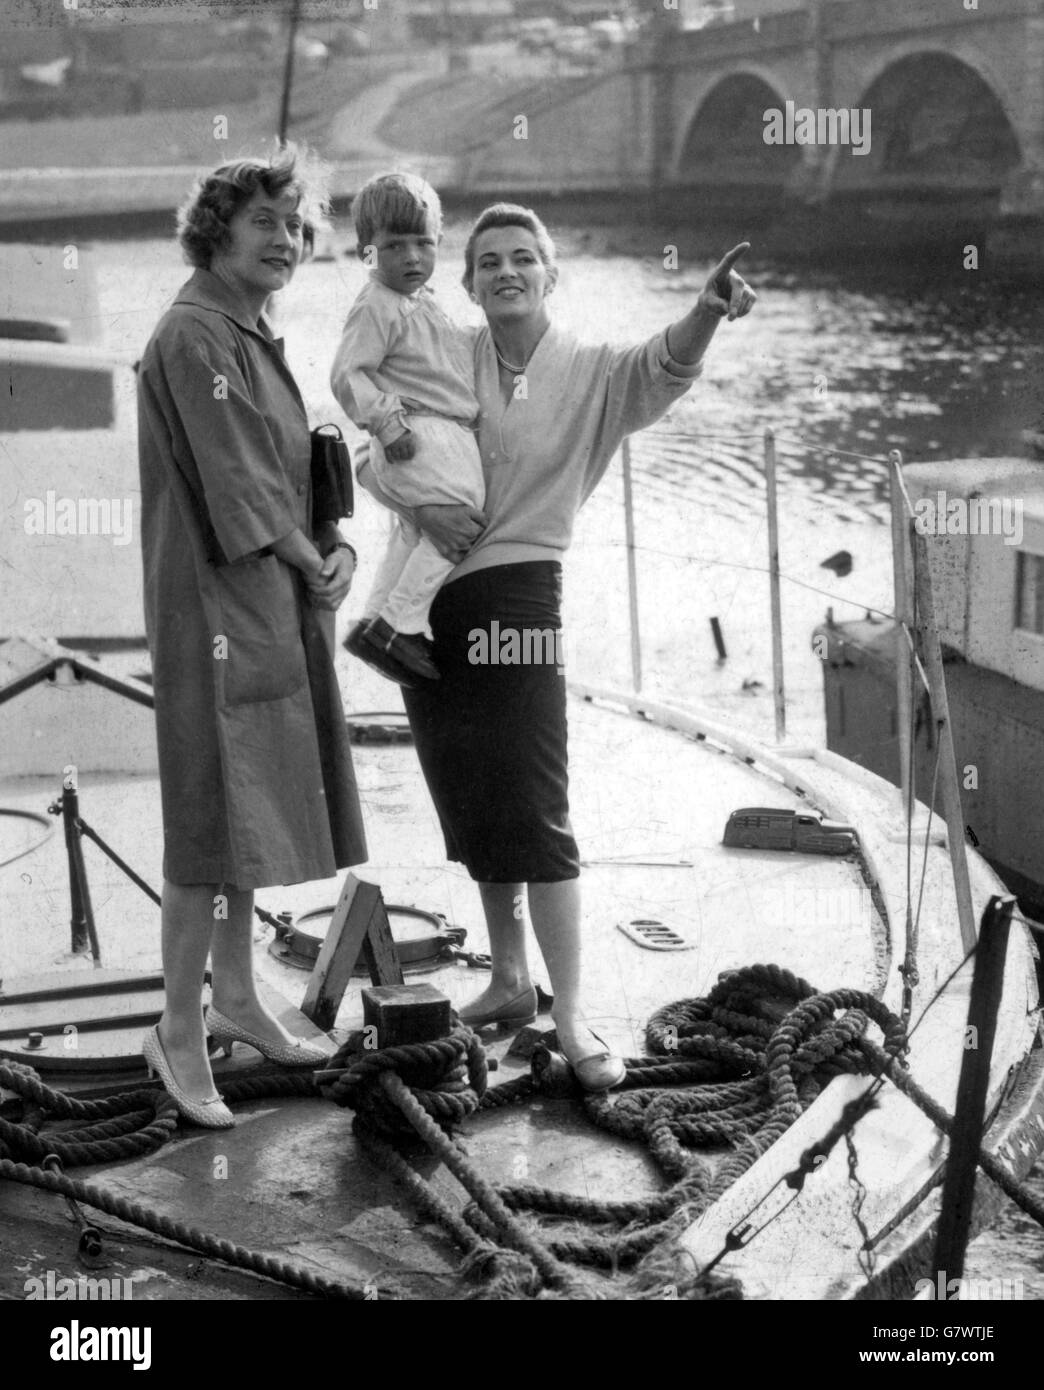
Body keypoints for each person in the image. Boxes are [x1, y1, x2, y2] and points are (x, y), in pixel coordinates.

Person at [355, 203, 756, 1090]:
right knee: (472, 802)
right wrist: (417, 503)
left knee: (535, 808)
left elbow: (665, 366)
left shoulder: (589, 372)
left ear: (550, 274)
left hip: (518, 597)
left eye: (523, 258)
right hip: (421, 611)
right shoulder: (444, 354)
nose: (506, 271)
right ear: (465, 284)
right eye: (488, 260)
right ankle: (507, 979)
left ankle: (570, 1013)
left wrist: (709, 309)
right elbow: (367, 457)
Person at [137, 147, 367, 1127]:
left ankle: (236, 994)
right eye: (267, 221)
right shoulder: (195, 336)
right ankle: (177, 1033)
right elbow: (238, 483)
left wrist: (335, 539)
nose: (288, 239)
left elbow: (301, 461)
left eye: (297, 225)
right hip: (211, 609)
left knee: (246, 819)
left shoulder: (253, 329)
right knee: (205, 825)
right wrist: (310, 559)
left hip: (263, 598)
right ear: (216, 229)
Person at [330, 172, 484, 685]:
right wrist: (387, 423)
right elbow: (349, 374)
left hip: (429, 430)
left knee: (414, 529)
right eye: (394, 246)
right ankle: (401, 626)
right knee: (461, 519)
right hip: (416, 432)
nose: (412, 257)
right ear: (366, 254)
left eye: (425, 243)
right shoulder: (377, 304)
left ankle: (374, 618)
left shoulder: (416, 300)